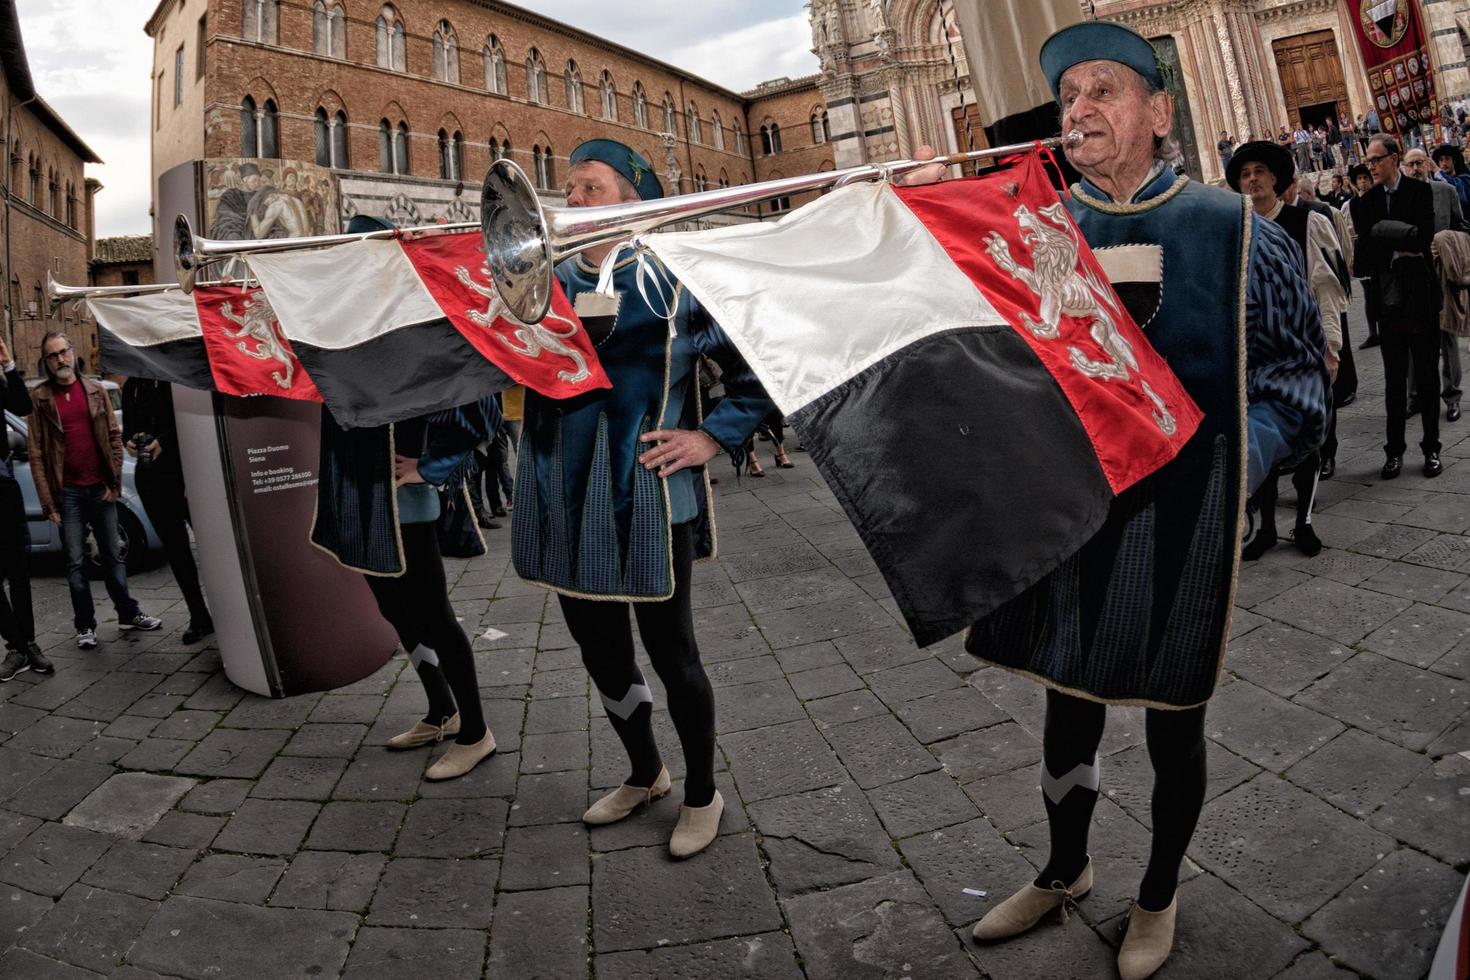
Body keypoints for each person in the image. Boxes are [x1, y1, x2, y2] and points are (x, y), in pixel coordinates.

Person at [942, 23, 1327, 980]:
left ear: (1158, 113)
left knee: (1171, 716)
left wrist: (1250, 461)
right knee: (1064, 705)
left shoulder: (1233, 229)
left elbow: (1299, 381)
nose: (1079, 110)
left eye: (1103, 90)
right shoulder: (1035, 235)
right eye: (1069, 96)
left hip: (1186, 516)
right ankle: (1064, 868)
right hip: (1072, 516)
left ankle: (1158, 892)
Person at [514, 139, 776, 859]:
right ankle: (643, 771)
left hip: (649, 493)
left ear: (636, 201)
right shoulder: (543, 282)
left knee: (673, 653)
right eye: (570, 187)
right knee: (597, 650)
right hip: (561, 495)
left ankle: (701, 791)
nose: (575, 199)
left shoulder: (674, 280)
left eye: (592, 187)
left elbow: (753, 371)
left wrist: (710, 437)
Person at [311, 241, 502, 780]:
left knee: (435, 616)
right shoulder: (341, 325)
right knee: (396, 611)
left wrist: (431, 466)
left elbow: (482, 407)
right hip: (360, 495)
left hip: (406, 502)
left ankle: (476, 732)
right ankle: (441, 709)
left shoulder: (423, 323)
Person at [1228, 142, 1343, 558]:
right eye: (1245, 174)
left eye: (1259, 171)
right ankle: (1267, 528)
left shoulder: (1306, 221)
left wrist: (1331, 348)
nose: (1252, 179)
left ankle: (1305, 521)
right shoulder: (1235, 231)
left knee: (1309, 438)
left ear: (1275, 178)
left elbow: (1326, 287)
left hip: (1303, 346)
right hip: (1258, 356)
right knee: (1264, 440)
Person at [29, 333, 163, 649]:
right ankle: (85, 626)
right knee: (76, 563)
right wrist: (49, 502)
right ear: (46, 362)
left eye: (63, 352)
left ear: (72, 353)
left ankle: (129, 613)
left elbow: (114, 438)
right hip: (69, 493)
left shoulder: (94, 390)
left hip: (100, 488)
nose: (60, 359)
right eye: (53, 355)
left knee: (114, 557)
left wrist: (114, 482)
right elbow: (35, 452)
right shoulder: (41, 398)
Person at [1352, 136, 1443, 478]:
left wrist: (1383, 237)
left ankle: (1432, 448)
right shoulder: (1364, 203)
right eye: (1368, 161)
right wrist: (1399, 242)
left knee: (1427, 376)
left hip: (1420, 297)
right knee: (1393, 382)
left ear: (1394, 158)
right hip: (1388, 302)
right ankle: (1394, 452)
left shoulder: (1420, 192)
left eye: (1376, 160)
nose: (1371, 166)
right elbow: (1362, 260)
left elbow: (1423, 239)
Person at [121, 378, 214, 644]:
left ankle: (229, 608)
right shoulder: (133, 385)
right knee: (177, 550)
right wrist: (131, 442)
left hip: (186, 472)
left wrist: (163, 441)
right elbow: (129, 428)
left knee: (211, 546)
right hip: (151, 479)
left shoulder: (174, 378)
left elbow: (192, 421)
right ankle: (199, 615)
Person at [0, 337, 47, 682]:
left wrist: (8, 365)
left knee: (18, 572)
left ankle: (28, 644)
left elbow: (22, 406)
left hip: (3, 491)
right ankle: (15, 645)